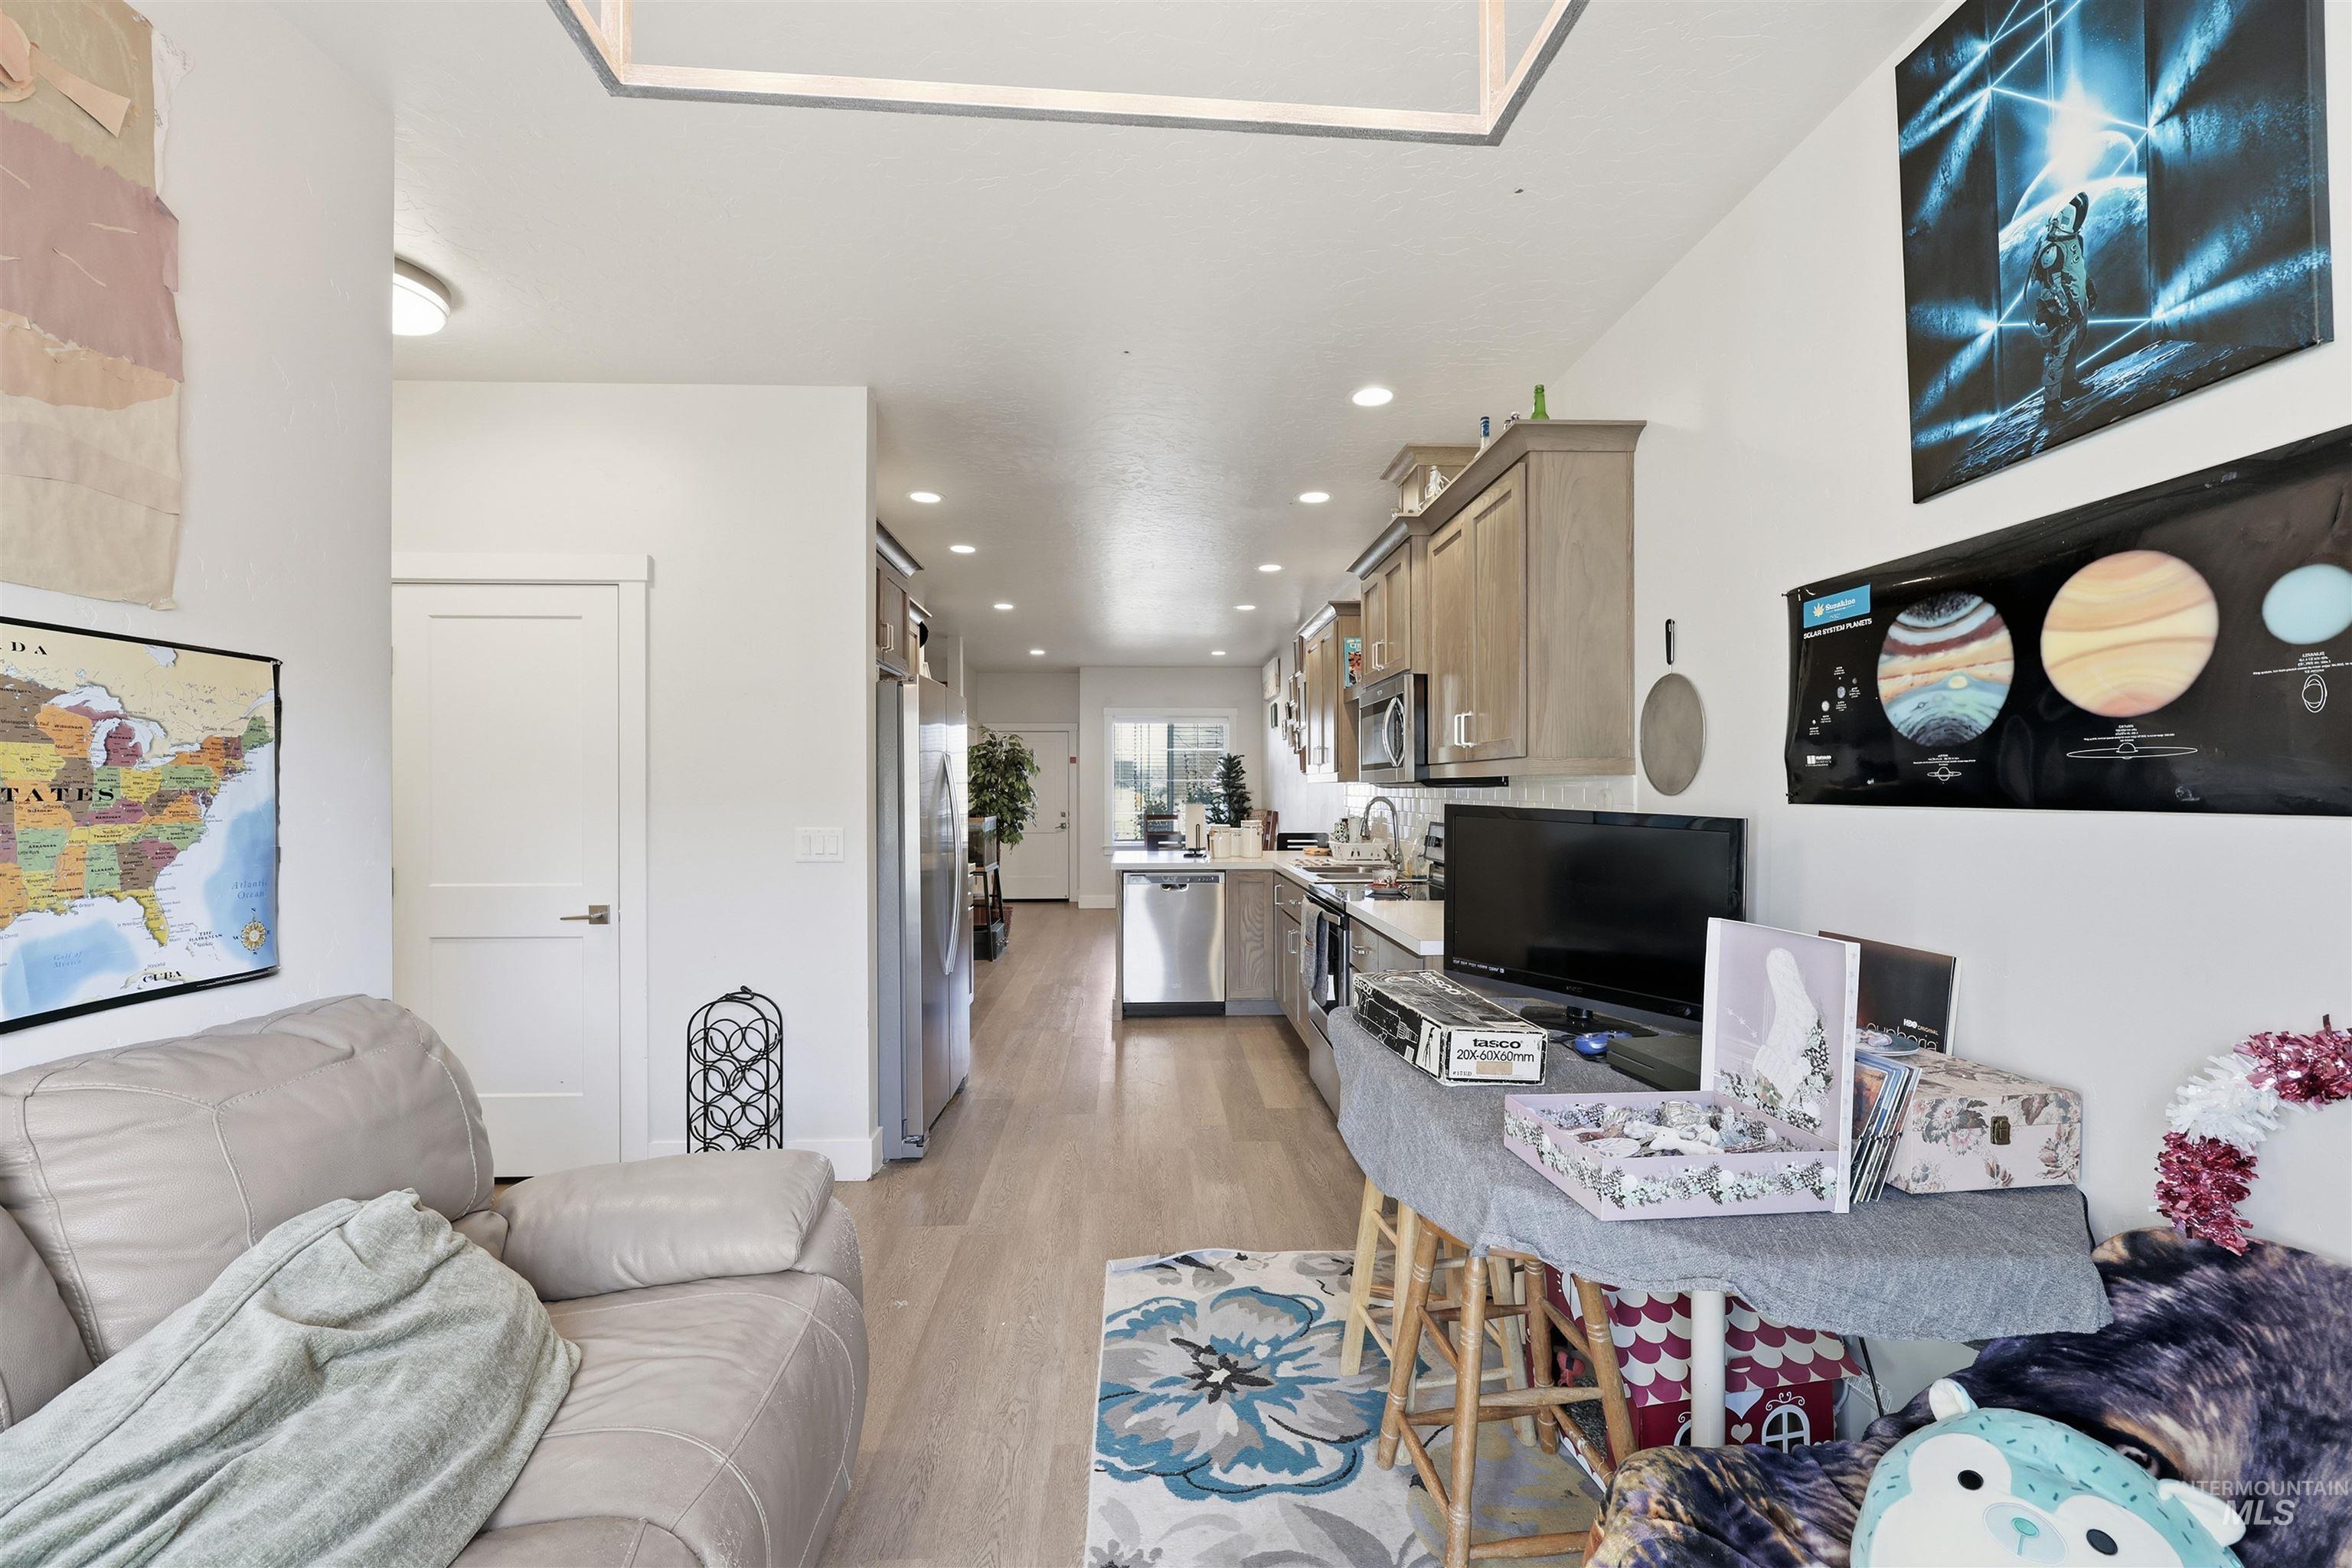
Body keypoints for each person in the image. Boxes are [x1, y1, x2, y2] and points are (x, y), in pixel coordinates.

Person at [2030, 191, 2096, 418]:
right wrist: (2066, 311)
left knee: (2075, 345)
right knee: (2058, 353)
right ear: (2068, 218)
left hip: (2078, 304)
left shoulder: (2074, 240)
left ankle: (2069, 384)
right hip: (2063, 311)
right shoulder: (2051, 249)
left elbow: (2078, 270)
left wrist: (2089, 288)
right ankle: (2051, 403)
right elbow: (2053, 287)